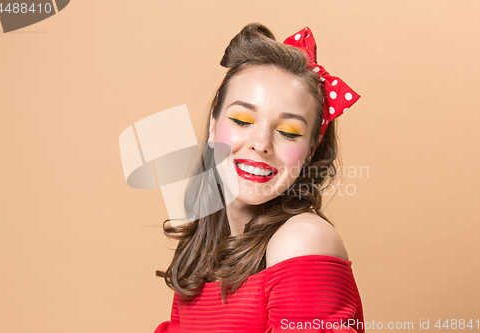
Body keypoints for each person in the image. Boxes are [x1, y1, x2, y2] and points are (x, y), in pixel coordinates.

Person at [154, 23, 364, 333]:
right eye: (241, 120)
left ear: (310, 149)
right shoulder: (201, 252)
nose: (261, 143)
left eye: (289, 132)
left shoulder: (301, 240)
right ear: (214, 122)